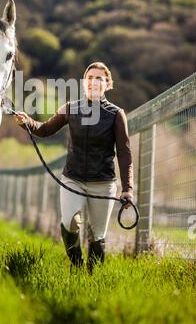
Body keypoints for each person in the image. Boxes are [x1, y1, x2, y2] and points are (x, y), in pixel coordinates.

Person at [14, 62, 134, 274]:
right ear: (83, 83)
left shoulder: (116, 114)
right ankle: (77, 266)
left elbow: (124, 153)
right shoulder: (70, 108)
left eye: (99, 79)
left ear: (107, 84)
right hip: (73, 179)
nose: (94, 82)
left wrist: (128, 189)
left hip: (103, 183)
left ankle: (91, 277)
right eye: (90, 78)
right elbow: (44, 130)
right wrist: (27, 122)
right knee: (69, 223)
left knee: (97, 236)